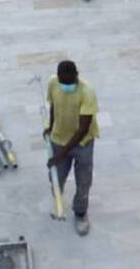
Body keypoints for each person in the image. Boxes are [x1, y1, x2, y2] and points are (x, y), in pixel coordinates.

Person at [44, 60, 99, 236]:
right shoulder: (53, 82)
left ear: (76, 75)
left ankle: (81, 213)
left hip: (83, 143)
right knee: (55, 178)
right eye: (62, 81)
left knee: (83, 181)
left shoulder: (87, 92)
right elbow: (53, 105)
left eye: (69, 82)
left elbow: (82, 129)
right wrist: (51, 127)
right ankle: (58, 201)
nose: (65, 85)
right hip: (58, 138)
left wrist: (61, 154)